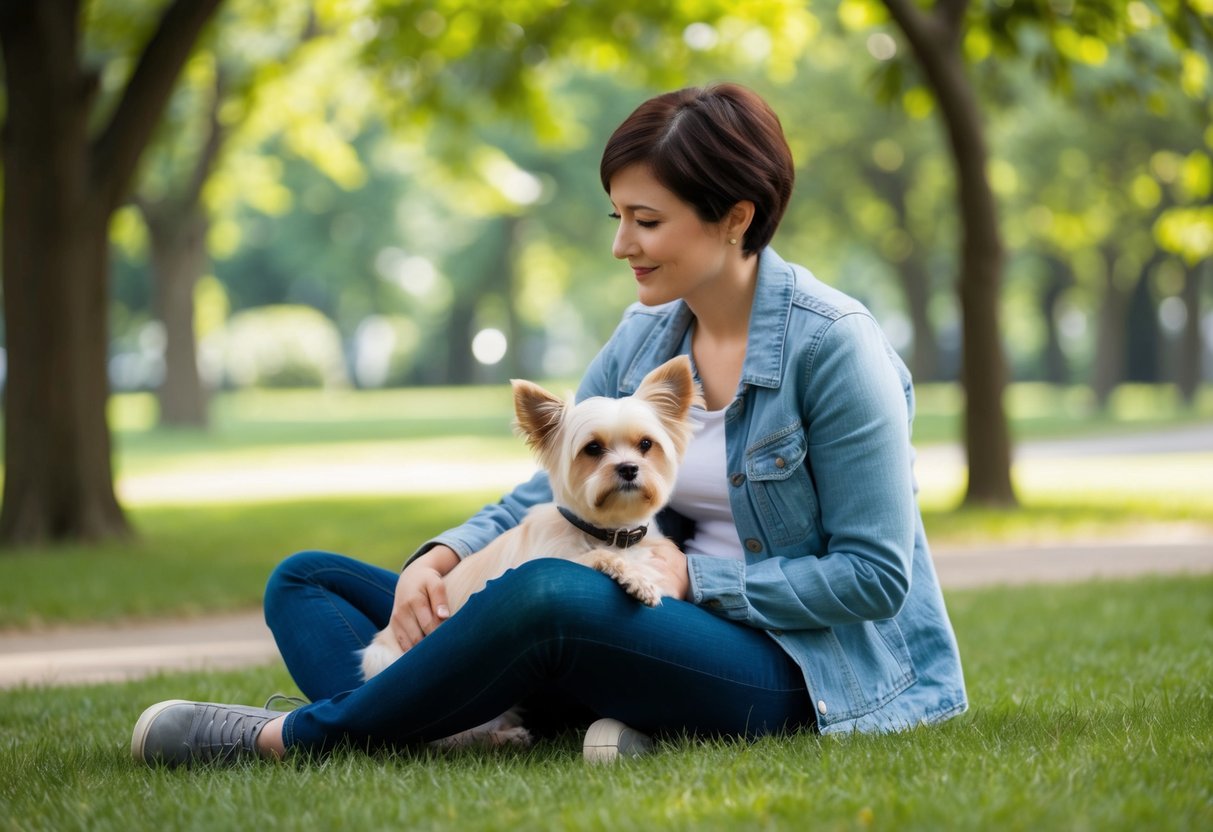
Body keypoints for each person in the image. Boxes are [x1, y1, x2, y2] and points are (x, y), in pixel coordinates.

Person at [130, 83, 967, 767]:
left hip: (797, 664)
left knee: (547, 593)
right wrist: (444, 553)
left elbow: (873, 577)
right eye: (618, 219)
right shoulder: (648, 332)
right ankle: (511, 718)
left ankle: (293, 740)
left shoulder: (835, 346)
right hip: (633, 618)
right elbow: (557, 483)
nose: (622, 247)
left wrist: (693, 582)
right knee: (308, 580)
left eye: (646, 221)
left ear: (736, 217)